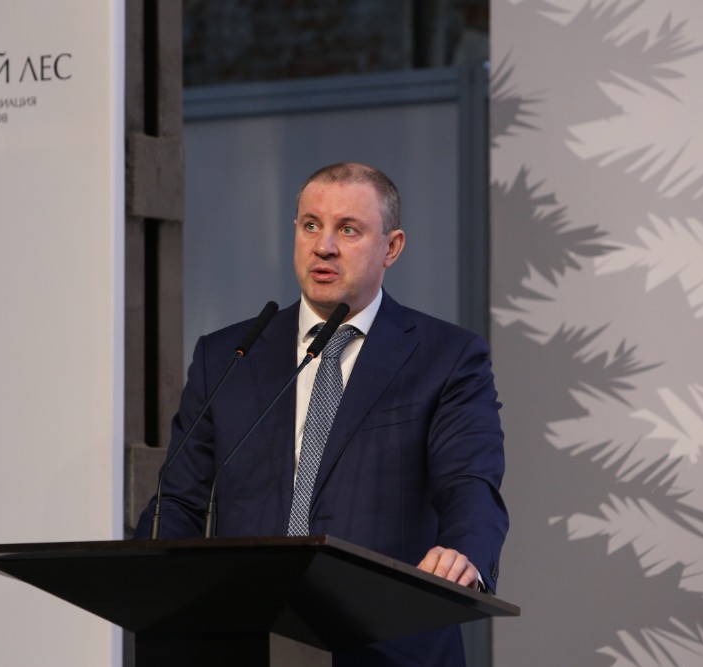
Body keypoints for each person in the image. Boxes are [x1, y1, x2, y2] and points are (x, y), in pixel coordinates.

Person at [135, 162, 508, 666]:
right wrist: (153, 584)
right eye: (311, 225)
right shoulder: (229, 355)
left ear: (392, 247)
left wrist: (463, 552)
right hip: (244, 643)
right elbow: (178, 500)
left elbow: (469, 481)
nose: (324, 246)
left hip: (388, 646)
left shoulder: (447, 357)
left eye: (348, 230)